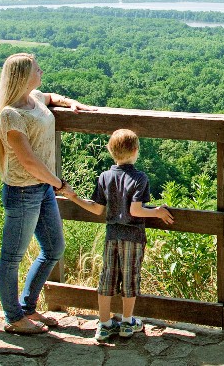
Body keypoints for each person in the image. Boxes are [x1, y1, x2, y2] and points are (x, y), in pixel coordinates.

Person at [0, 52, 92, 334]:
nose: (41, 71)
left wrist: (71, 103)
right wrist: (59, 184)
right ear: (23, 76)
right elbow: (28, 160)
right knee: (12, 257)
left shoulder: (33, 99)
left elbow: (50, 96)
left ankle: (28, 308)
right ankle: (14, 318)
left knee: (54, 248)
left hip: (42, 188)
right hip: (23, 190)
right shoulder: (11, 114)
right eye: (37, 69)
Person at [79, 129, 174, 341]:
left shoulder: (105, 177)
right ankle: (127, 322)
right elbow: (135, 210)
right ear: (135, 151)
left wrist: (73, 197)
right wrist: (157, 212)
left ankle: (104, 324)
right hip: (133, 236)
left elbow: (96, 208)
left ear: (110, 151)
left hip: (112, 234)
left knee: (107, 277)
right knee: (130, 278)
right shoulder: (140, 178)